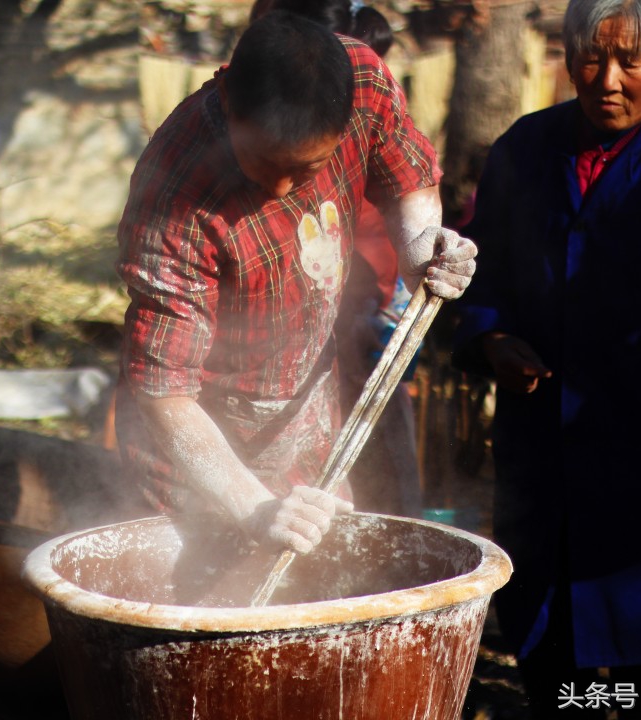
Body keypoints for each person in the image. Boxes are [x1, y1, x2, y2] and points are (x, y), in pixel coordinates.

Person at [450, 0, 641, 716]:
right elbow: (481, 272)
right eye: (591, 57)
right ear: (565, 57)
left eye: (632, 60)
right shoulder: (524, 150)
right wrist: (492, 338)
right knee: (543, 648)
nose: (609, 79)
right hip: (544, 461)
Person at [115, 11, 477, 558]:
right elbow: (165, 390)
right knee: (208, 615)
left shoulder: (363, 81)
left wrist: (420, 249)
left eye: (307, 170)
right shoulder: (173, 194)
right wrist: (253, 508)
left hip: (307, 418)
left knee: (313, 602)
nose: (282, 187)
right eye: (264, 162)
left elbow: (407, 179)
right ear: (230, 104)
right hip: (197, 454)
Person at [252, 0, 423, 518]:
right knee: (302, 506)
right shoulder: (266, 123)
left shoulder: (368, 114)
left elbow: (405, 203)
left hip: (362, 335)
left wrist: (382, 306)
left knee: (380, 493)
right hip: (280, 367)